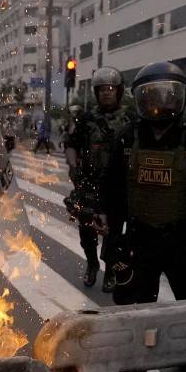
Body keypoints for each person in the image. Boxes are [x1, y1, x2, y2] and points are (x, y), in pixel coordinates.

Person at [100, 61, 186, 309]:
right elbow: (113, 184)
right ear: (141, 99)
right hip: (140, 237)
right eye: (151, 96)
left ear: (179, 97)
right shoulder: (128, 135)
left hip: (184, 238)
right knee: (132, 310)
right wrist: (110, 226)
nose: (159, 104)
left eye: (167, 96)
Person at [63, 67, 130, 290]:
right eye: (102, 90)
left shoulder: (130, 120)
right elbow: (71, 145)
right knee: (86, 230)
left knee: (113, 232)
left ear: (118, 91)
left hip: (118, 188)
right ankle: (92, 264)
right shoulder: (86, 119)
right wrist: (73, 167)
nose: (106, 93)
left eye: (111, 89)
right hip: (89, 184)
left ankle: (111, 269)